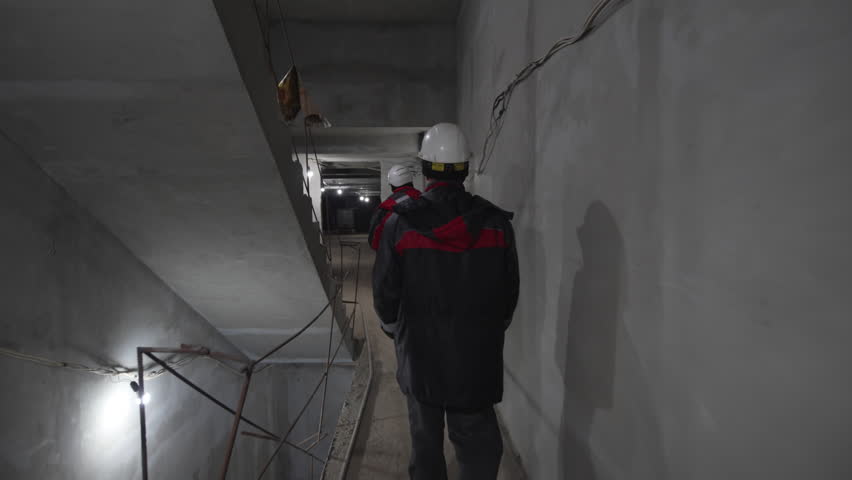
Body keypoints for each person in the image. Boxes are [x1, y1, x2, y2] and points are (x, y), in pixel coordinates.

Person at [372, 123, 520, 480]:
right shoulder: (496, 224)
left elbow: (385, 293)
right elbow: (508, 296)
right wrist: (486, 332)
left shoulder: (400, 224)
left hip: (421, 358)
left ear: (424, 170)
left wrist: (395, 329)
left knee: (425, 443)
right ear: (465, 169)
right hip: (475, 360)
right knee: (478, 445)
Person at [367, 164, 421, 250]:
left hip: (398, 258)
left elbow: (374, 242)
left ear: (392, 184)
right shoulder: (426, 199)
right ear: (410, 181)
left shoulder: (386, 207)